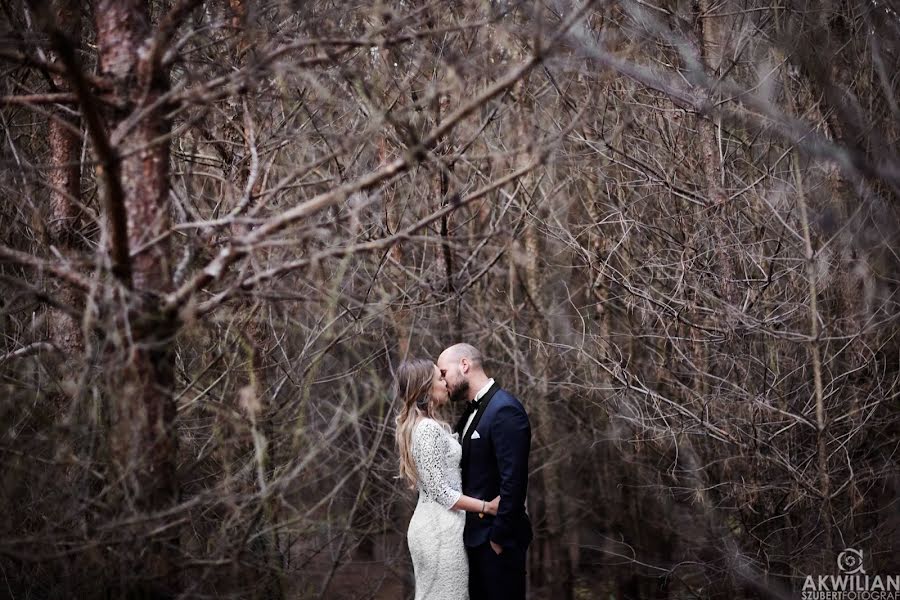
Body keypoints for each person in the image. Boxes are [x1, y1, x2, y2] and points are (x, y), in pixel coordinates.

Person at [395, 358, 500, 600]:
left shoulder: (425, 426)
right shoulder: (427, 430)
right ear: (426, 388)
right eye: (439, 378)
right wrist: (487, 507)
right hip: (439, 531)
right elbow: (442, 493)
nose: (445, 382)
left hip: (438, 527)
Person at [437, 343, 533, 600]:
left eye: (444, 373)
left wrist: (498, 538)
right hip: (473, 539)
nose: (443, 381)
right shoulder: (472, 411)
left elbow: (513, 480)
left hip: (496, 541)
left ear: (464, 365)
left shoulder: (505, 409)